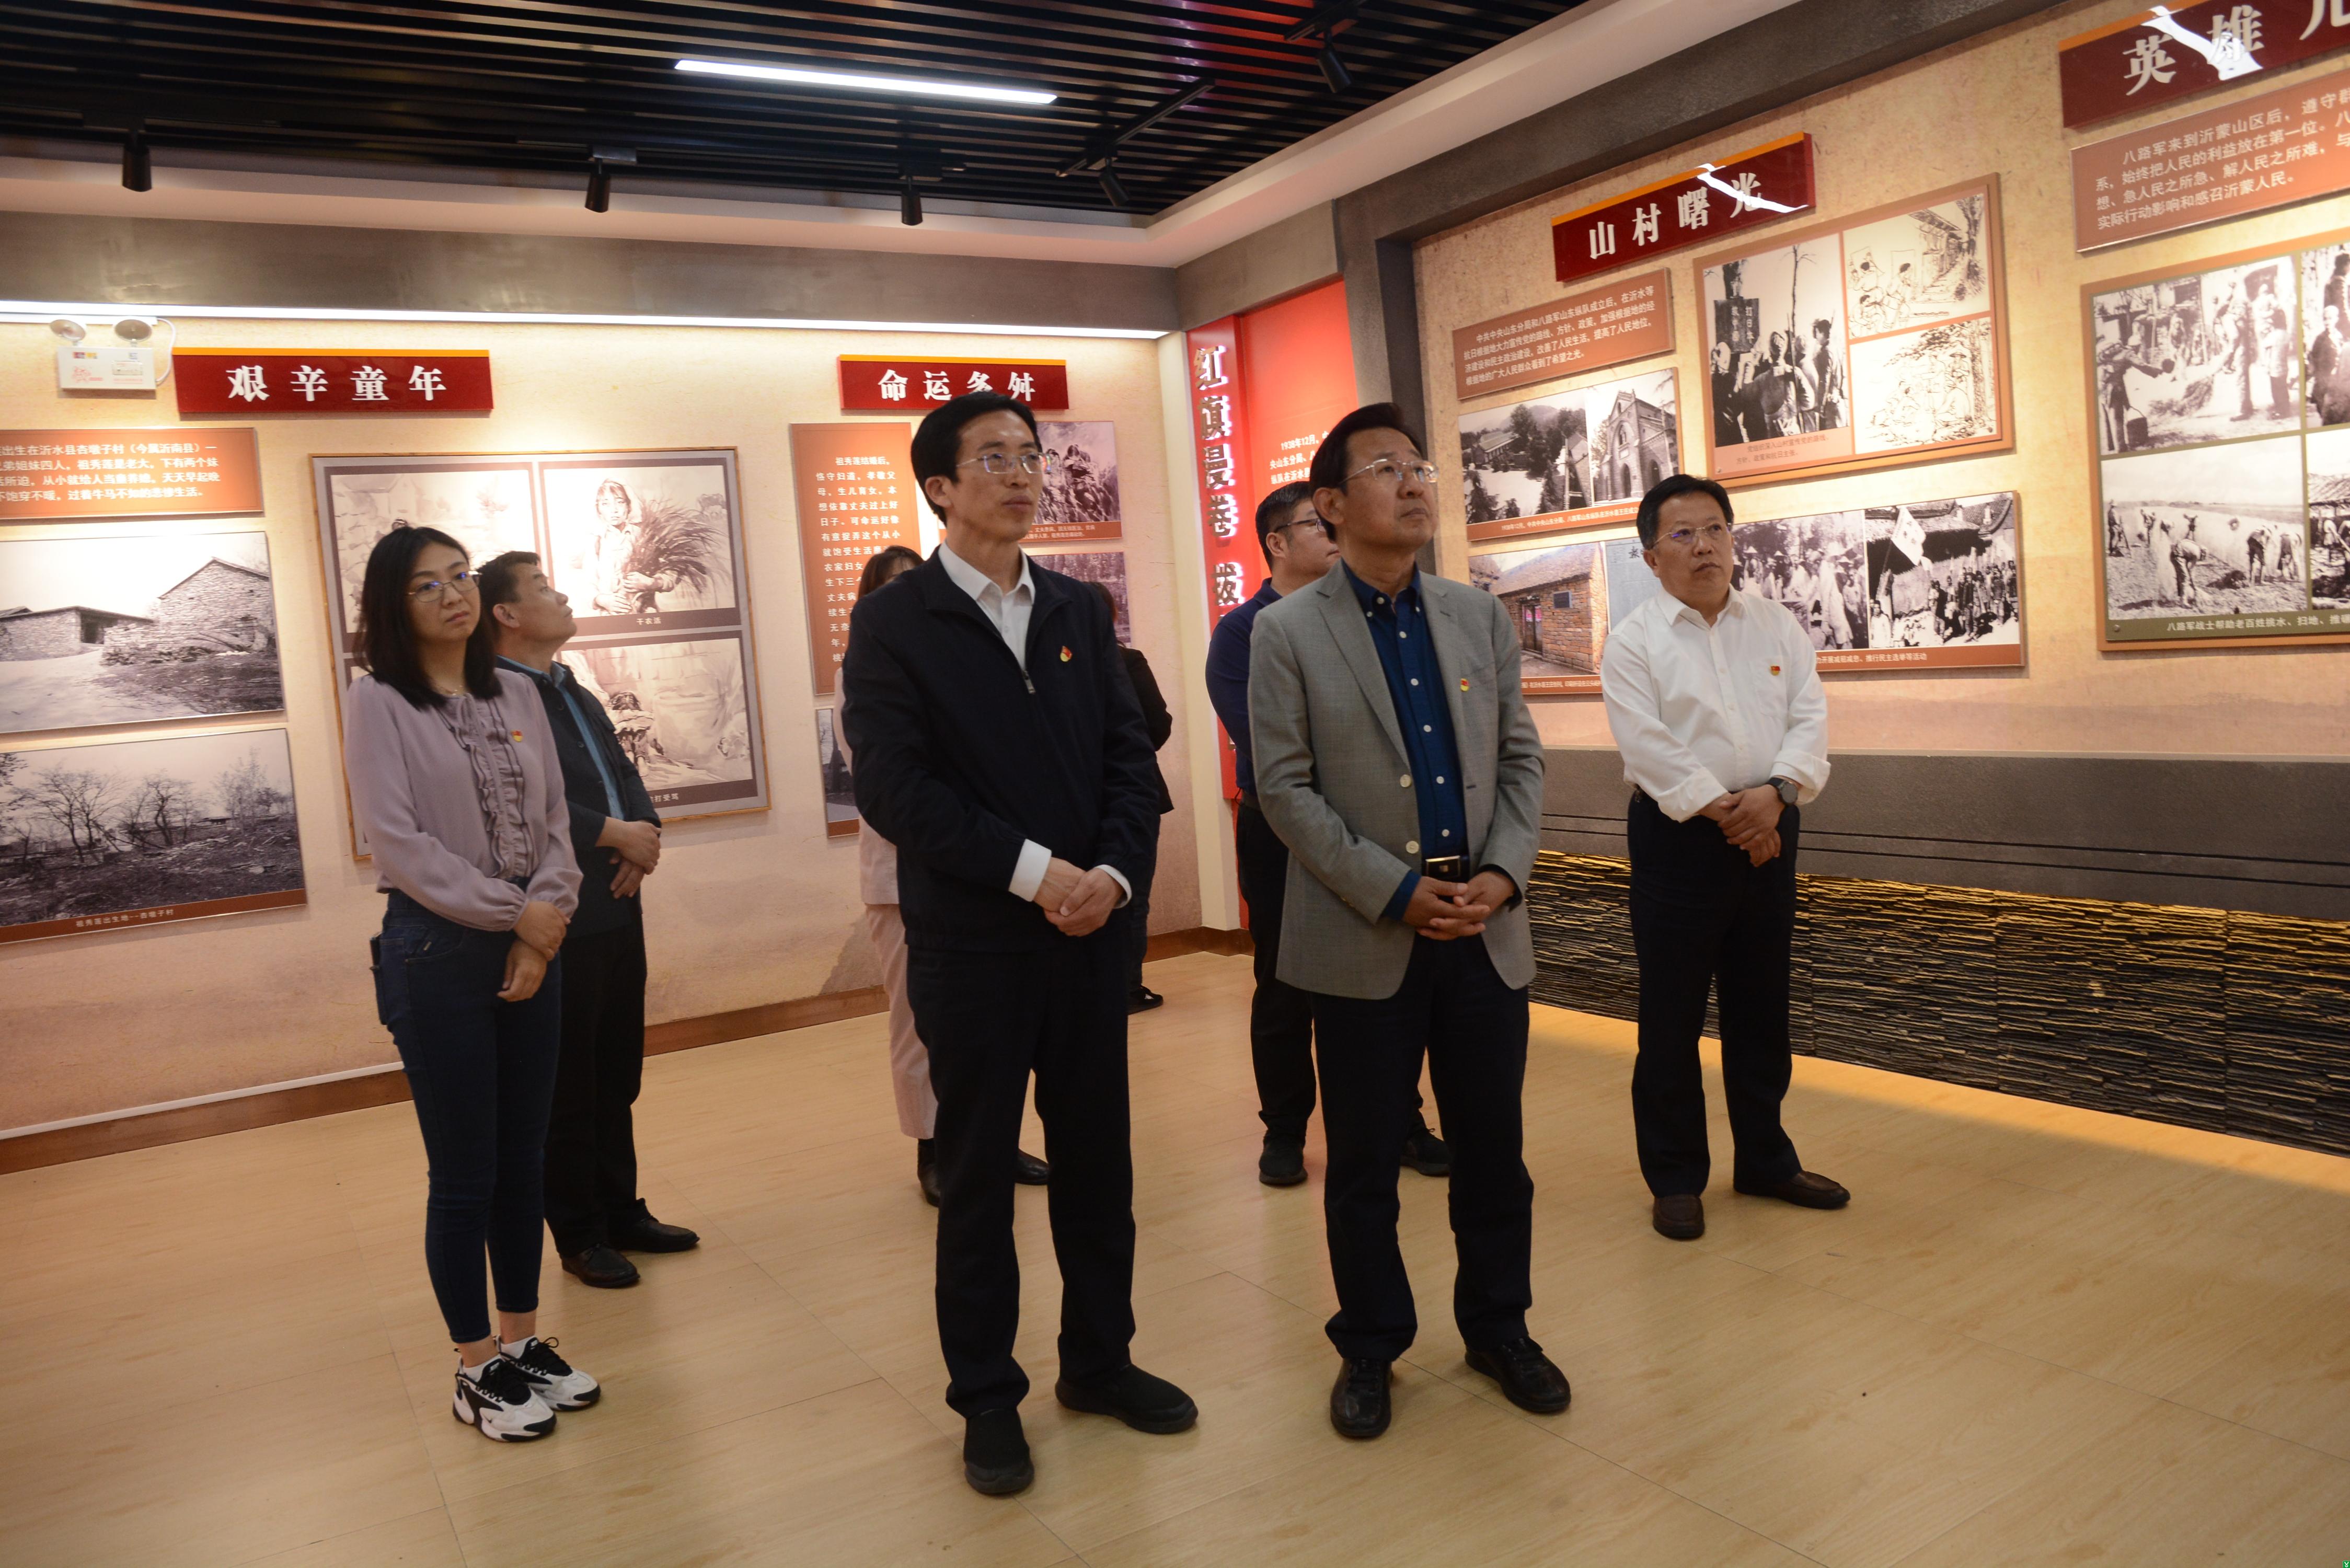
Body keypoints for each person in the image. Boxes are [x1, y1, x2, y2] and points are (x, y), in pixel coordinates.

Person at [842, 393, 1192, 1497]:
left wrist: (1114, 878)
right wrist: (1040, 874)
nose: (1021, 473)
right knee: (979, 1178)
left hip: (1088, 941)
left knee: (1098, 1165)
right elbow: (897, 790)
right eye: (992, 457)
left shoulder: (1080, 607)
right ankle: (987, 1398)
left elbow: (1129, 761)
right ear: (939, 488)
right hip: (973, 948)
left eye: (1030, 455)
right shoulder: (896, 624)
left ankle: (1099, 1362)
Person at [1250, 403, 1567, 1441]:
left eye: (1420, 466)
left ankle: (1500, 1328)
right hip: (1366, 934)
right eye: (1386, 468)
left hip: (1482, 929)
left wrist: (1504, 876)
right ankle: (1371, 1344)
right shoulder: (1287, 632)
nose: (1415, 482)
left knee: (1493, 1153)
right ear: (1332, 506)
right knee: (1365, 1167)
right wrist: (1393, 890)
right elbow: (1284, 790)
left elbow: (1520, 759)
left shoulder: (1475, 616)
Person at [340, 524, 600, 1442]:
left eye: (459, 576)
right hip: (438, 951)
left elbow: (556, 824)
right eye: (427, 585)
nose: (453, 594)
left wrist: (543, 922)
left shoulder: (518, 689)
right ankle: (474, 1363)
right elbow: (399, 844)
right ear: (394, 604)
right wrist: (515, 916)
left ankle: (522, 1340)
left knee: (525, 1158)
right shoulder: (378, 701)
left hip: (533, 940)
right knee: (464, 1173)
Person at [1599, 475, 1847, 1243]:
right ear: (1651, 556)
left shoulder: (1775, 625)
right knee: (1670, 1018)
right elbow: (1648, 747)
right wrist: (1733, 814)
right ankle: (1675, 1176)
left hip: (1771, 824)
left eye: (1715, 529)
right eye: (1683, 534)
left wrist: (1776, 795)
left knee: (1761, 1006)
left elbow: (1809, 718)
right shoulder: (1633, 642)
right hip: (1680, 839)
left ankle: (1765, 1160)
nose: (1704, 546)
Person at [1203, 482, 1449, 1188]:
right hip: (1282, 828)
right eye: (1316, 524)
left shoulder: (1363, 618)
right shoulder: (1243, 633)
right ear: (1277, 543)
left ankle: (1402, 1121)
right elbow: (1272, 747)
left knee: (1384, 977)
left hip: (1371, 826)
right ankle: (1283, 1131)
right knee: (1284, 986)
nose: (1333, 533)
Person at [476, 550, 699, 1290]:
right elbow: (519, 800)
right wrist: (615, 835)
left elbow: (625, 770)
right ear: (507, 614)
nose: (562, 595)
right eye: (542, 588)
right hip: (561, 909)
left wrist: (644, 834)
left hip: (619, 901)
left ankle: (621, 1210)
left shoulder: (570, 686)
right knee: (567, 1083)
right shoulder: (495, 696)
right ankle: (578, 1233)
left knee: (615, 1070)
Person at [846, 545, 1051, 1207]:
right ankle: (933, 1148)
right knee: (918, 1026)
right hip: (901, 876)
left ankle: (994, 1139)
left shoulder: (964, 664)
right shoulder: (870, 670)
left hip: (983, 870)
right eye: (893, 588)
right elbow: (892, 783)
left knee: (997, 1025)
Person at [1089, 579, 1176, 1013]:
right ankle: (1126, 988)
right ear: (1114, 616)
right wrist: (1130, 761)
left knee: (1087, 893)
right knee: (1132, 894)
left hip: (1083, 797)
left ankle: (1096, 989)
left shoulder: (1058, 665)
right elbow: (1158, 724)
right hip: (1135, 794)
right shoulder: (1128, 661)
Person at [586, 479, 676, 614]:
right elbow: (588, 583)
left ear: (628, 506)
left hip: (645, 613)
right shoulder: (596, 541)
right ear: (599, 509)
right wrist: (602, 600)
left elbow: (671, 575)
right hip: (609, 617)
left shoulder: (644, 536)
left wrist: (652, 583)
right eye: (606, 504)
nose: (614, 510)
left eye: (620, 502)